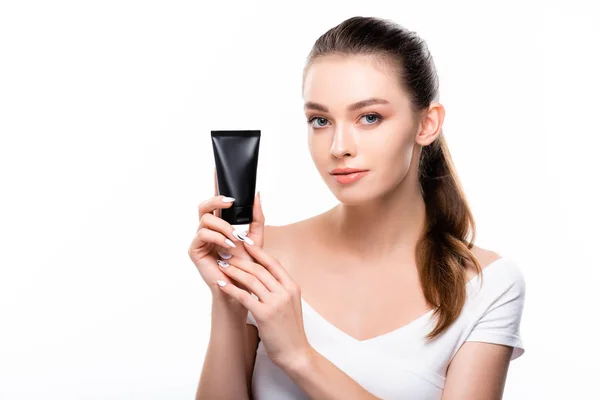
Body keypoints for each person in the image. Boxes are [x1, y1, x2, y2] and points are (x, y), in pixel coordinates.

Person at [189, 15, 526, 400]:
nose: (338, 147)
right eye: (320, 120)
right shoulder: (263, 258)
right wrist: (228, 303)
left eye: (369, 117)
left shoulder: (486, 284)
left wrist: (300, 356)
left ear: (427, 124)